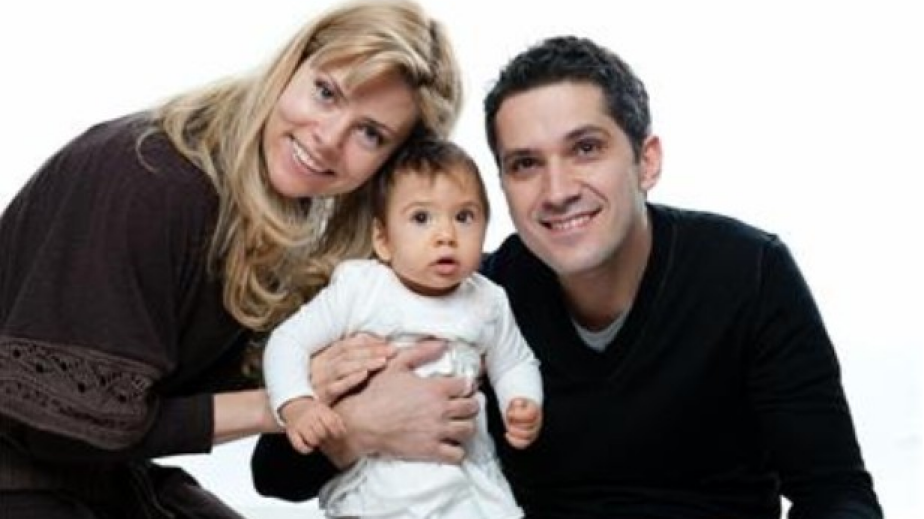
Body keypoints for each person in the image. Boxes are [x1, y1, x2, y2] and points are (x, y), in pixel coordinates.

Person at [251, 34, 884, 519]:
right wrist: (357, 430)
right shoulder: (474, 296)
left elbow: (835, 493)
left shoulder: (747, 272)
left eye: (585, 148)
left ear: (646, 161)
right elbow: (274, 474)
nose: (557, 191)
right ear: (502, 187)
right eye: (525, 164)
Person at [0, 1, 463, 517]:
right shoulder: (150, 182)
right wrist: (282, 402)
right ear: (290, 66)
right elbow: (54, 428)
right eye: (326, 92)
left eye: (370, 133)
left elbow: (278, 466)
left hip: (105, 475)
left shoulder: (290, 219)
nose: (329, 139)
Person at [262, 137, 543, 518]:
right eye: (421, 218)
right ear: (383, 239)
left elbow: (514, 363)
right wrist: (297, 404)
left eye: (464, 217)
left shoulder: (488, 300)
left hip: (464, 478)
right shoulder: (361, 290)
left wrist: (521, 401)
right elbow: (287, 341)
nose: (446, 235)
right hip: (378, 481)